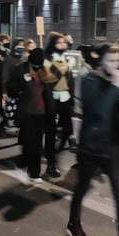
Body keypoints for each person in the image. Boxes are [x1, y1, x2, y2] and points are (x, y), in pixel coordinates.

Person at [67, 45, 119, 236]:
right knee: (82, 187)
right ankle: (73, 223)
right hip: (91, 146)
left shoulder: (117, 81)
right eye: (110, 60)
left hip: (113, 147)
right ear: (101, 60)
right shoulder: (88, 80)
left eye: (118, 61)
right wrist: (116, 86)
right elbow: (98, 112)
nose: (115, 65)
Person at [7, 48, 54, 182]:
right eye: (36, 63)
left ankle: (34, 174)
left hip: (41, 113)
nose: (38, 66)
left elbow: (49, 92)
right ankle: (23, 164)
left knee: (37, 145)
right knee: (28, 143)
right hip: (27, 112)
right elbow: (11, 88)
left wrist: (51, 112)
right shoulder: (21, 69)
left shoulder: (44, 70)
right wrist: (22, 84)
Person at [44, 32, 76, 164]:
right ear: (53, 44)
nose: (63, 45)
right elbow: (50, 77)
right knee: (50, 128)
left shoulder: (66, 57)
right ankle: (49, 153)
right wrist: (67, 66)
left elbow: (70, 79)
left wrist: (72, 96)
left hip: (65, 96)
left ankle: (60, 147)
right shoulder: (48, 58)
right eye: (59, 42)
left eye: (64, 42)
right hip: (52, 97)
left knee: (68, 126)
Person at [2, 38, 26, 129]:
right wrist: (4, 92)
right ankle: (8, 124)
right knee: (11, 110)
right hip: (11, 90)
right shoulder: (8, 59)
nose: (21, 47)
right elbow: (4, 76)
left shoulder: (24, 58)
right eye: (19, 45)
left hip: (22, 90)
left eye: (22, 45)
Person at [0, 34, 11, 130]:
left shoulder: (8, 51)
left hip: (7, 80)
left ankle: (5, 119)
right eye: (6, 41)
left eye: (8, 41)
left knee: (7, 101)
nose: (8, 42)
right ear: (0, 42)